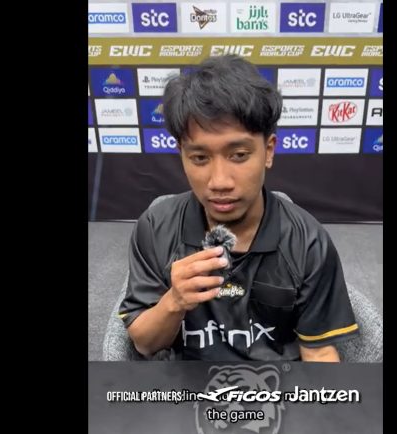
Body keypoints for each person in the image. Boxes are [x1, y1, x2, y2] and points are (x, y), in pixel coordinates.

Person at [118, 55, 359, 361]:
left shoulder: (308, 242)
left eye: (239, 155)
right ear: (181, 154)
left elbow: (319, 352)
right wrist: (174, 301)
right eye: (200, 158)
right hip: (186, 386)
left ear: (268, 151)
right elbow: (144, 345)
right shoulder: (156, 228)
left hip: (276, 386)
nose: (219, 182)